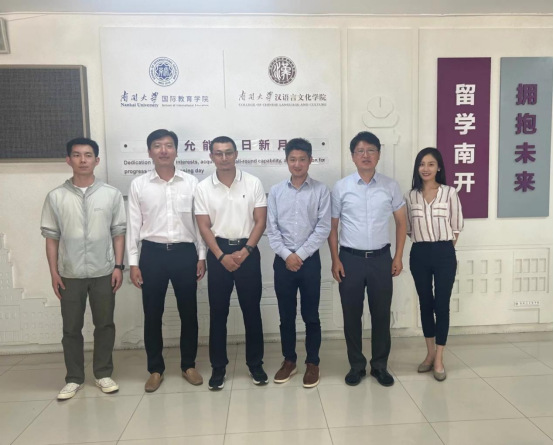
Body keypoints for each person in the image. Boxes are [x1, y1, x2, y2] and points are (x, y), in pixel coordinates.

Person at [41, 138, 127, 400]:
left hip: (104, 271)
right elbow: (51, 238)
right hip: (70, 274)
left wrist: (118, 266)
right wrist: (54, 272)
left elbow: (118, 233)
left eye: (88, 155)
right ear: (68, 160)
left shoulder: (111, 194)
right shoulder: (56, 196)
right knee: (71, 328)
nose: (82, 160)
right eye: (76, 155)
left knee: (105, 324)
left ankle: (103, 373)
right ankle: (74, 378)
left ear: (96, 160)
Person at [127, 129, 207, 393]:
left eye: (169, 145)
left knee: (189, 312)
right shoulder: (139, 185)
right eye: (158, 145)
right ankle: (155, 369)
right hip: (152, 254)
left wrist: (202, 256)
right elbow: (133, 225)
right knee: (152, 314)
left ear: (176, 150)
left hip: (185, 253)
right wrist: (133, 262)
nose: (164, 150)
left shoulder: (191, 183)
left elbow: (200, 223)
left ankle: (188, 365)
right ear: (149, 151)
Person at [329, 131, 407, 387]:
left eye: (371, 150)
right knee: (351, 314)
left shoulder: (390, 186)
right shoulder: (341, 187)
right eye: (360, 151)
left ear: (379, 155)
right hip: (349, 259)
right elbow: (333, 227)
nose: (365, 155)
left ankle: (380, 366)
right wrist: (335, 259)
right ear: (352, 156)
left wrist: (398, 256)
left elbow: (401, 222)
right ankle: (356, 366)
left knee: (381, 315)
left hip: (381, 259)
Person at [195, 136, 268, 391]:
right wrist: (220, 256)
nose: (224, 158)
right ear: (211, 157)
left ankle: (255, 364)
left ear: (236, 154)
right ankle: (218, 367)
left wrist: (246, 251)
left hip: (248, 250)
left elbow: (260, 221)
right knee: (218, 313)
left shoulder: (253, 182)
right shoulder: (203, 188)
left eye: (228, 152)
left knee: (252, 311)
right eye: (218, 153)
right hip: (219, 253)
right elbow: (204, 226)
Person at [267, 138, 331, 388]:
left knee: (311, 315)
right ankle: (289, 360)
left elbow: (323, 227)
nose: (297, 164)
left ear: (310, 160)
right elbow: (272, 229)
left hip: (309, 262)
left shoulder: (321, 190)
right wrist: (287, 255)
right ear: (286, 161)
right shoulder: (276, 191)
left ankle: (313, 362)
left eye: (302, 159)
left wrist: (300, 255)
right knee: (286, 316)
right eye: (292, 159)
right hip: (283, 262)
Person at [405, 148, 463, 382]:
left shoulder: (449, 193)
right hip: (419, 253)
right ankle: (429, 354)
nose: (426, 168)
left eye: (431, 164)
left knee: (442, 305)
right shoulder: (410, 196)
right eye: (422, 164)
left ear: (439, 167)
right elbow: (409, 228)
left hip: (444, 253)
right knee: (425, 304)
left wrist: (442, 249)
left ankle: (439, 358)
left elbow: (456, 226)